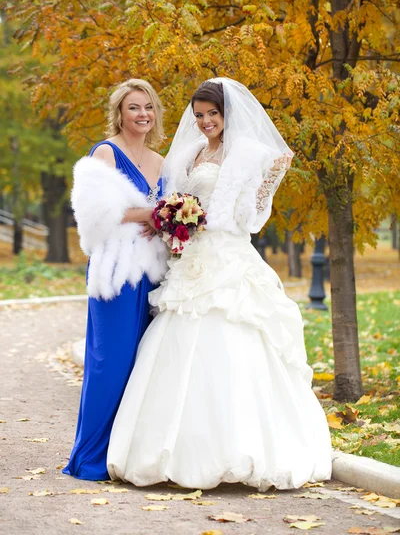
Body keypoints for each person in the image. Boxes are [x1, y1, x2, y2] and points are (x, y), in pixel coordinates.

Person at [107, 77, 332, 491]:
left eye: (213, 114)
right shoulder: (190, 153)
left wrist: (266, 180)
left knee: (233, 339)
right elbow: (172, 199)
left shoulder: (248, 155)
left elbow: (251, 216)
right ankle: (169, 452)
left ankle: (241, 450)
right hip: (189, 260)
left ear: (228, 114)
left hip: (226, 260)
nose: (206, 121)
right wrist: (174, 219)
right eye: (199, 115)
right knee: (176, 344)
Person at [62, 79, 168, 481]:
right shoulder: (105, 153)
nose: (142, 115)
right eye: (133, 108)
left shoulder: (160, 161)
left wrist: (168, 222)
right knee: (111, 361)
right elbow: (97, 214)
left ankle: (123, 455)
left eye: (148, 108)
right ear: (119, 114)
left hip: (154, 271)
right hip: (117, 271)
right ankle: (88, 458)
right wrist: (153, 215)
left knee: (144, 364)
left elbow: (168, 213)